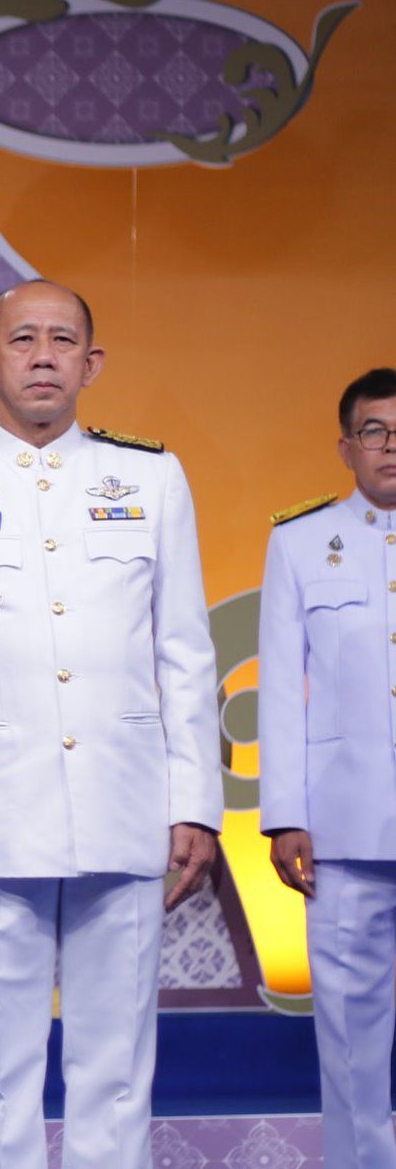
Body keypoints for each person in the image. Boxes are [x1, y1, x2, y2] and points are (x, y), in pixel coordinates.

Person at [0, 279, 222, 1168]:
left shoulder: (151, 477)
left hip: (125, 804)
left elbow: (185, 652)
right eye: (21, 339)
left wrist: (196, 803)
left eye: (62, 340)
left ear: (91, 363)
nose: (42, 356)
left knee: (117, 1070)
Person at [260, 365, 396, 1169]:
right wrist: (285, 815)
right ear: (346, 446)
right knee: (349, 1037)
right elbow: (280, 688)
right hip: (344, 831)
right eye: (375, 430)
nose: (391, 445)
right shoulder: (301, 541)